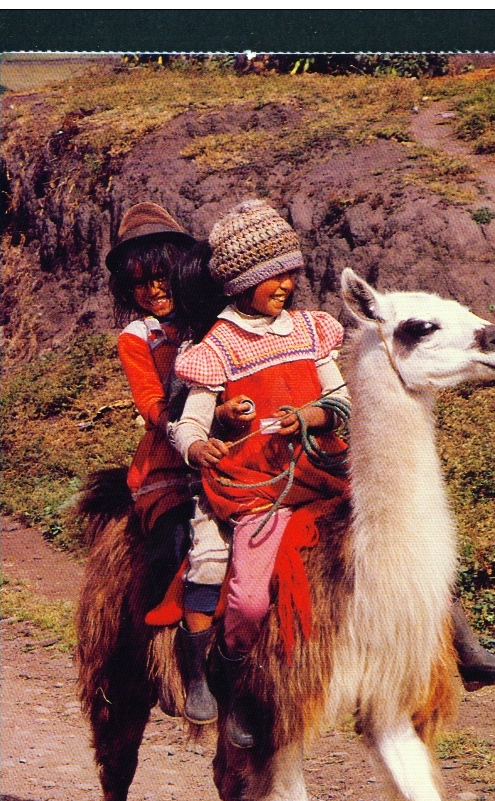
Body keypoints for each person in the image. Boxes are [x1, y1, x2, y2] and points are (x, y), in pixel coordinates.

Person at [172, 200, 350, 748]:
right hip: (261, 490)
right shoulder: (218, 347)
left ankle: (453, 642)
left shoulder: (308, 331)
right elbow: (189, 422)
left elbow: (341, 400)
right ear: (242, 282)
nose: (286, 285)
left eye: (290, 272)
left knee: (401, 531)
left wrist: (313, 415)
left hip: (322, 473)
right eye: (274, 275)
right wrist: (200, 443)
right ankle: (235, 684)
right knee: (249, 600)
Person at [106, 203, 231, 723]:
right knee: (173, 542)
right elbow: (150, 403)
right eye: (140, 284)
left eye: (161, 276)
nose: (153, 290)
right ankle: (147, 648)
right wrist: (193, 419)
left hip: (228, 449)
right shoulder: (139, 338)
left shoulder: (212, 322)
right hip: (166, 459)